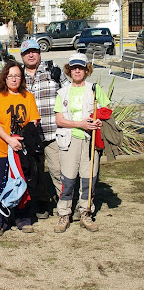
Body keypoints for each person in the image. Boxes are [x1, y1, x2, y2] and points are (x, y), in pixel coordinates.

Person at [53, 53, 110, 233]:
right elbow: (59, 120)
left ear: (87, 70)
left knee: (89, 179)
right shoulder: (62, 92)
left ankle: (86, 212)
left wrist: (99, 120)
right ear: (69, 71)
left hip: (90, 141)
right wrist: (80, 124)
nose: (77, 71)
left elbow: (106, 109)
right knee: (68, 180)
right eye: (74, 68)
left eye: (81, 68)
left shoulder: (94, 89)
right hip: (70, 141)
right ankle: (64, 214)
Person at [0, 61, 40, 235]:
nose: (14, 79)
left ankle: (23, 218)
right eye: (11, 76)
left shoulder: (28, 97)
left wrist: (22, 139)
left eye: (17, 75)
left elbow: (34, 121)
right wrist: (9, 139)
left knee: (21, 184)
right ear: (5, 78)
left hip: (20, 150)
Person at [20, 39, 70, 219]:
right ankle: (42, 203)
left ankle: (65, 204)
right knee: (36, 173)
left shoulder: (52, 70)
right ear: (22, 56)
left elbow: (68, 93)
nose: (31, 55)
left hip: (52, 132)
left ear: (39, 53)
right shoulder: (18, 75)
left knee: (58, 171)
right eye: (27, 53)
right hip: (30, 136)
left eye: (34, 51)